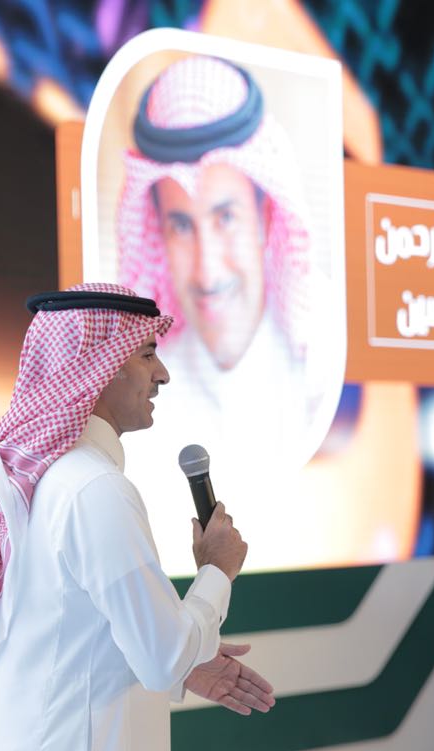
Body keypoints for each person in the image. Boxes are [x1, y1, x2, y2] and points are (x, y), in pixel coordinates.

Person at [0, 283, 275, 751]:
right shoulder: (95, 489)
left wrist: (188, 665)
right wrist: (217, 571)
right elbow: (162, 657)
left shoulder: (51, 480)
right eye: (147, 355)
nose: (162, 375)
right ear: (101, 366)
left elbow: (68, 631)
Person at [115, 54, 346, 479]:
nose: (207, 271)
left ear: (266, 218)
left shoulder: (327, 348)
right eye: (181, 226)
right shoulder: (147, 389)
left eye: (226, 218)